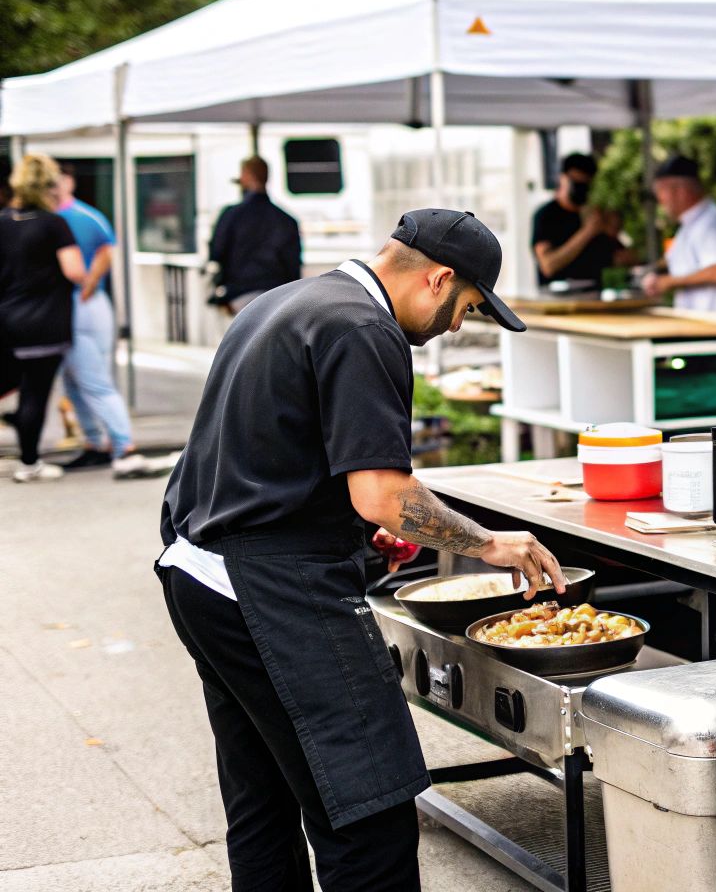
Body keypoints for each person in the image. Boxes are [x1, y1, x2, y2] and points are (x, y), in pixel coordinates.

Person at [158, 208, 566, 890]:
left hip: (201, 576)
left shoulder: (281, 302)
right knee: (368, 814)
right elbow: (383, 492)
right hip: (273, 596)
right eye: (466, 307)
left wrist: (349, 526)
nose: (457, 326)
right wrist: (487, 542)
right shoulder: (363, 328)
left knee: (263, 802)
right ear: (437, 280)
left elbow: (266, 454)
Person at [54, 164, 175, 479]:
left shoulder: (80, 216)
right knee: (75, 381)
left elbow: (108, 249)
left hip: (83, 306)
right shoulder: (68, 216)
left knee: (93, 381)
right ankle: (97, 444)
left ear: (68, 181)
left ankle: (122, 445)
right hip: (79, 305)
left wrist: (88, 284)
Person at [0, 154, 87, 482]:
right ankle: (29, 463)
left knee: (15, 386)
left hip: (7, 322)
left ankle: (21, 431)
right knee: (34, 393)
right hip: (45, 322)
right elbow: (75, 271)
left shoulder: (3, 221)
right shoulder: (54, 224)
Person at [640, 154, 716, 313]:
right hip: (697, 328)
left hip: (711, 330)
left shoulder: (709, 222)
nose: (660, 201)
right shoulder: (690, 224)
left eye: (661, 192)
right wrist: (649, 271)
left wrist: (669, 282)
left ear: (681, 191)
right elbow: (679, 260)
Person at [208, 155, 301, 315]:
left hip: (239, 294)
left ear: (246, 176)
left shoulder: (231, 215)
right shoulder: (287, 220)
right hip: (278, 296)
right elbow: (293, 266)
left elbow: (217, 253)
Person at [530, 151, 634, 286]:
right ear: (563, 179)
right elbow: (548, 265)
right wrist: (587, 232)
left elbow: (619, 258)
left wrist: (610, 230)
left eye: (586, 184)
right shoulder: (546, 215)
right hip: (558, 299)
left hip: (594, 296)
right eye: (576, 183)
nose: (581, 189)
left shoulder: (595, 214)